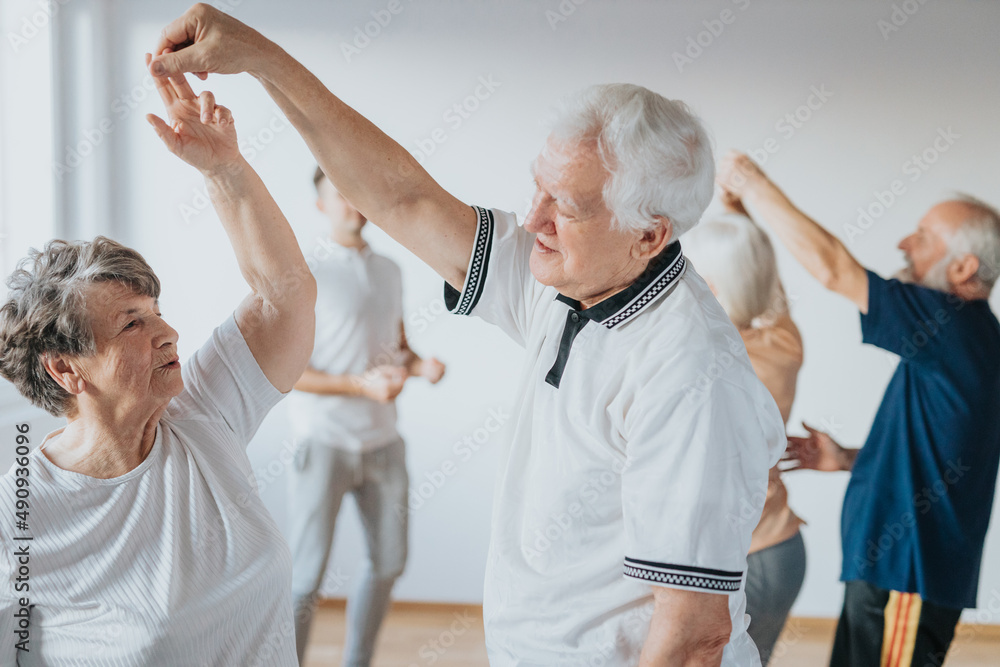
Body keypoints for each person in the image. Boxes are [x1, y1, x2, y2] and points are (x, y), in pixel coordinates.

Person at [148, 7, 786, 664]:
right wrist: (261, 59)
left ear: (648, 234)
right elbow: (403, 200)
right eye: (537, 188)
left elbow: (692, 636)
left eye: (563, 206)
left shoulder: (688, 375)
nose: (532, 217)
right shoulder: (567, 278)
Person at [0, 57, 315, 666]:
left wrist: (224, 169)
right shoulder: (23, 508)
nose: (168, 331)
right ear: (67, 369)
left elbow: (286, 296)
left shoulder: (202, 415)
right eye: (132, 323)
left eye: (157, 310)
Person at [717, 150, 1000, 667]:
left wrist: (752, 184)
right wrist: (848, 458)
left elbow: (834, 269)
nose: (903, 243)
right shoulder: (963, 340)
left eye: (923, 236)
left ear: (964, 267)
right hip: (891, 574)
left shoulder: (955, 326)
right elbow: (941, 451)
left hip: (906, 577)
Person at [287, 167, 446, 666]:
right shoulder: (306, 274)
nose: (351, 202)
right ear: (321, 205)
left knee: (389, 562)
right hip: (325, 441)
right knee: (306, 576)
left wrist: (421, 365)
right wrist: (360, 385)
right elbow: (290, 371)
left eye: (356, 190)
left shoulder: (390, 270)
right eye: (338, 194)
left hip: (383, 443)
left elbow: (396, 346)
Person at [683, 195, 806, 666]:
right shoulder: (783, 341)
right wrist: (743, 222)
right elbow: (766, 285)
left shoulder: (707, 360)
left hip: (745, 559)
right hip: (782, 550)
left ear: (711, 283)